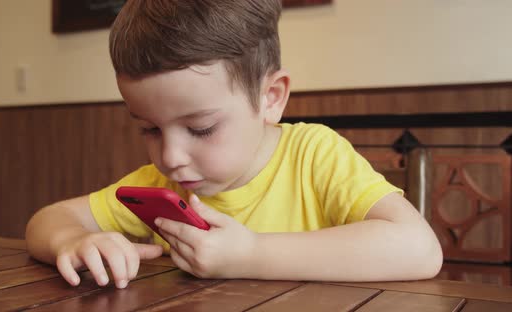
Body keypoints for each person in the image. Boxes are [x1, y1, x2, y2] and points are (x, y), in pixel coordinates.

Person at [26, 0, 442, 289]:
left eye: (202, 128)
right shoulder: (159, 186)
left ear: (271, 98)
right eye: (149, 129)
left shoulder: (314, 154)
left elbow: (419, 250)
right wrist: (73, 242)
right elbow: (49, 218)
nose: (170, 157)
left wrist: (251, 254)